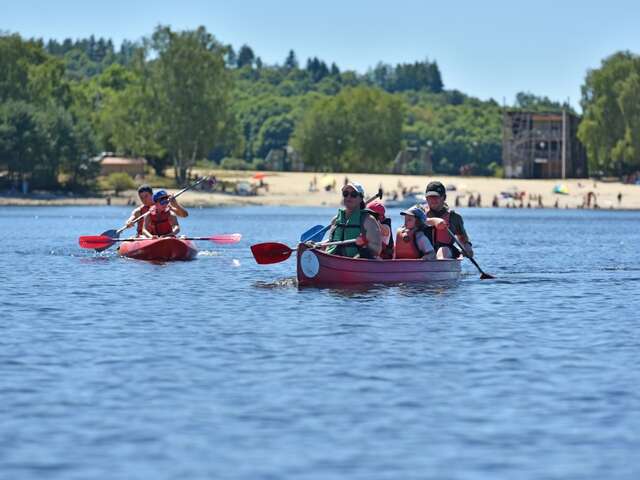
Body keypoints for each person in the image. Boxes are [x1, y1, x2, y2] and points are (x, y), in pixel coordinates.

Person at [324, 182, 381, 259]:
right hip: (334, 259)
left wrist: (363, 244)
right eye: (345, 194)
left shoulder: (368, 220)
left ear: (361, 198)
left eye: (353, 194)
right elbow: (330, 243)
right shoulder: (335, 220)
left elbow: (377, 249)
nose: (348, 197)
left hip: (357, 263)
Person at [422, 181, 474, 259]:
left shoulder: (454, 217)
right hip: (424, 252)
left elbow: (463, 239)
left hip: (446, 251)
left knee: (443, 250)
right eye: (430, 197)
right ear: (426, 198)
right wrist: (434, 221)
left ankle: (440, 268)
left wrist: (468, 248)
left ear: (444, 197)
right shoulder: (419, 212)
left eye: (436, 197)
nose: (432, 200)